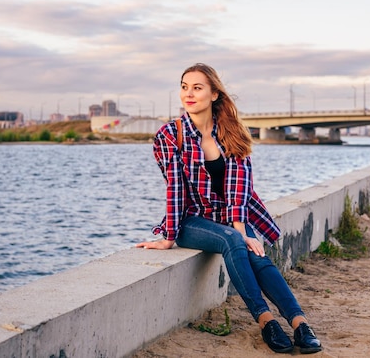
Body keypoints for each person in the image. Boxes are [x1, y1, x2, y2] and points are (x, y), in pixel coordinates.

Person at [136, 63, 322, 354]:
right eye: (184, 87)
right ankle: (266, 321)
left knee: (256, 254)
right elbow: (175, 187)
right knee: (234, 240)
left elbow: (240, 187)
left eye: (197, 87)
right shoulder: (170, 135)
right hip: (191, 221)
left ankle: (300, 324)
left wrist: (242, 229)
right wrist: (168, 237)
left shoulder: (231, 132)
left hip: (228, 216)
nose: (189, 93)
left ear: (213, 94)